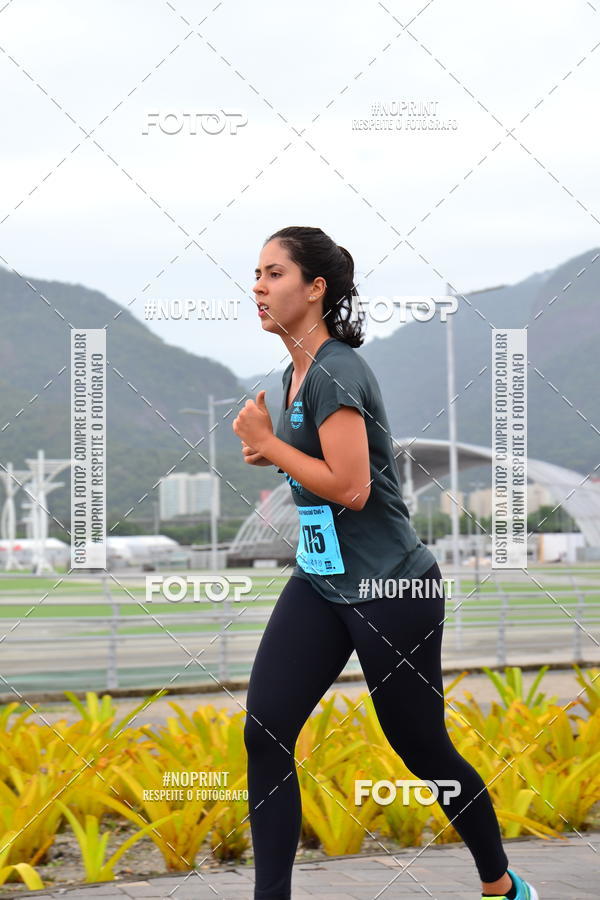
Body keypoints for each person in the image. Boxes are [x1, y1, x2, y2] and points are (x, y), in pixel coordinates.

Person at [232, 226, 538, 900]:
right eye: (255, 273)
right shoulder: (294, 375)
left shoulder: (337, 367)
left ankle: (501, 883)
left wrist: (270, 444)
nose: (258, 286)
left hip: (389, 586)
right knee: (265, 729)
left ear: (315, 289)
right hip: (322, 580)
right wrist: (269, 447)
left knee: (420, 745)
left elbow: (351, 486)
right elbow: (321, 470)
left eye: (274, 274)